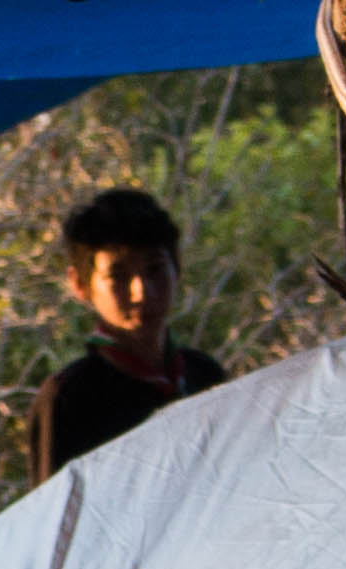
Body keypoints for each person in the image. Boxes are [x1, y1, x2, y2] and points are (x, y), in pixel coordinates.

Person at [32, 186, 224, 478]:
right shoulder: (68, 400)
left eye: (154, 269)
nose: (141, 292)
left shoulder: (205, 376)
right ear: (80, 284)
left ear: (177, 267)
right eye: (118, 276)